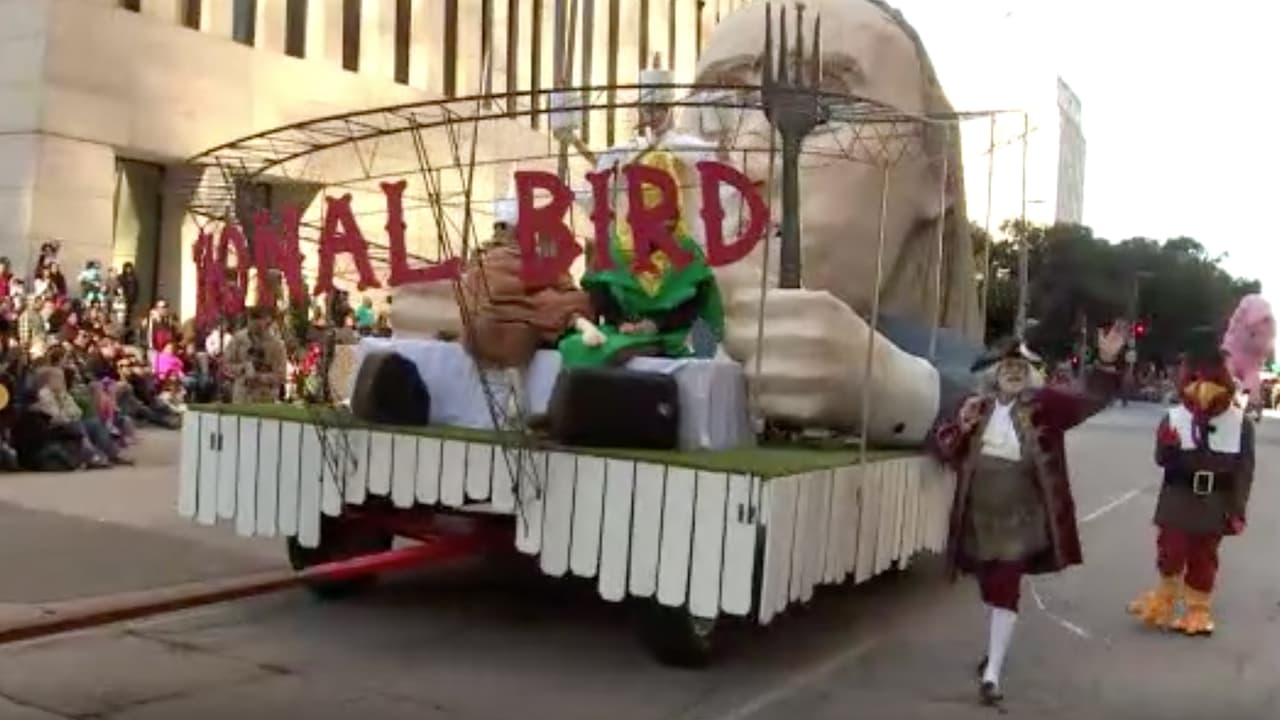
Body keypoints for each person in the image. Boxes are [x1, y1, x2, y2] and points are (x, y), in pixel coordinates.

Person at [930, 323, 1126, 705]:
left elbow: (1088, 399)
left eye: (1021, 366)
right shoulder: (974, 407)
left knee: (1005, 585)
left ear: (1031, 373)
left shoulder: (1047, 406)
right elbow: (946, 451)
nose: (1014, 370)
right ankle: (995, 647)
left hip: (1024, 518)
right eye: (1007, 366)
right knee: (990, 585)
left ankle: (992, 675)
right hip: (978, 519)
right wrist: (960, 427)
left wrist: (1105, 361)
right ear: (994, 374)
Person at [1127, 328, 1254, 636]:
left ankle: (1198, 609)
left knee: (1204, 555)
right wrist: (1168, 446)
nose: (1201, 388)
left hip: (1215, 500)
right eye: (1195, 379)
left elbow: (1244, 471)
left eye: (1209, 379)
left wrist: (1237, 509)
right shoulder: (1173, 417)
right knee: (1170, 550)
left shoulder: (1240, 423)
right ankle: (1165, 597)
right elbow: (1160, 459)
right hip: (1177, 497)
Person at [222, 305, 287, 403]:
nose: (254, 323)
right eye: (252, 319)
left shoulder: (277, 345)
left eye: (259, 319)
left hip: (265, 399)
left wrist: (260, 377)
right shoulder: (238, 339)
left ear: (267, 320)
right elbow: (225, 365)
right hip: (241, 398)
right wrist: (242, 368)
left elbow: (281, 375)